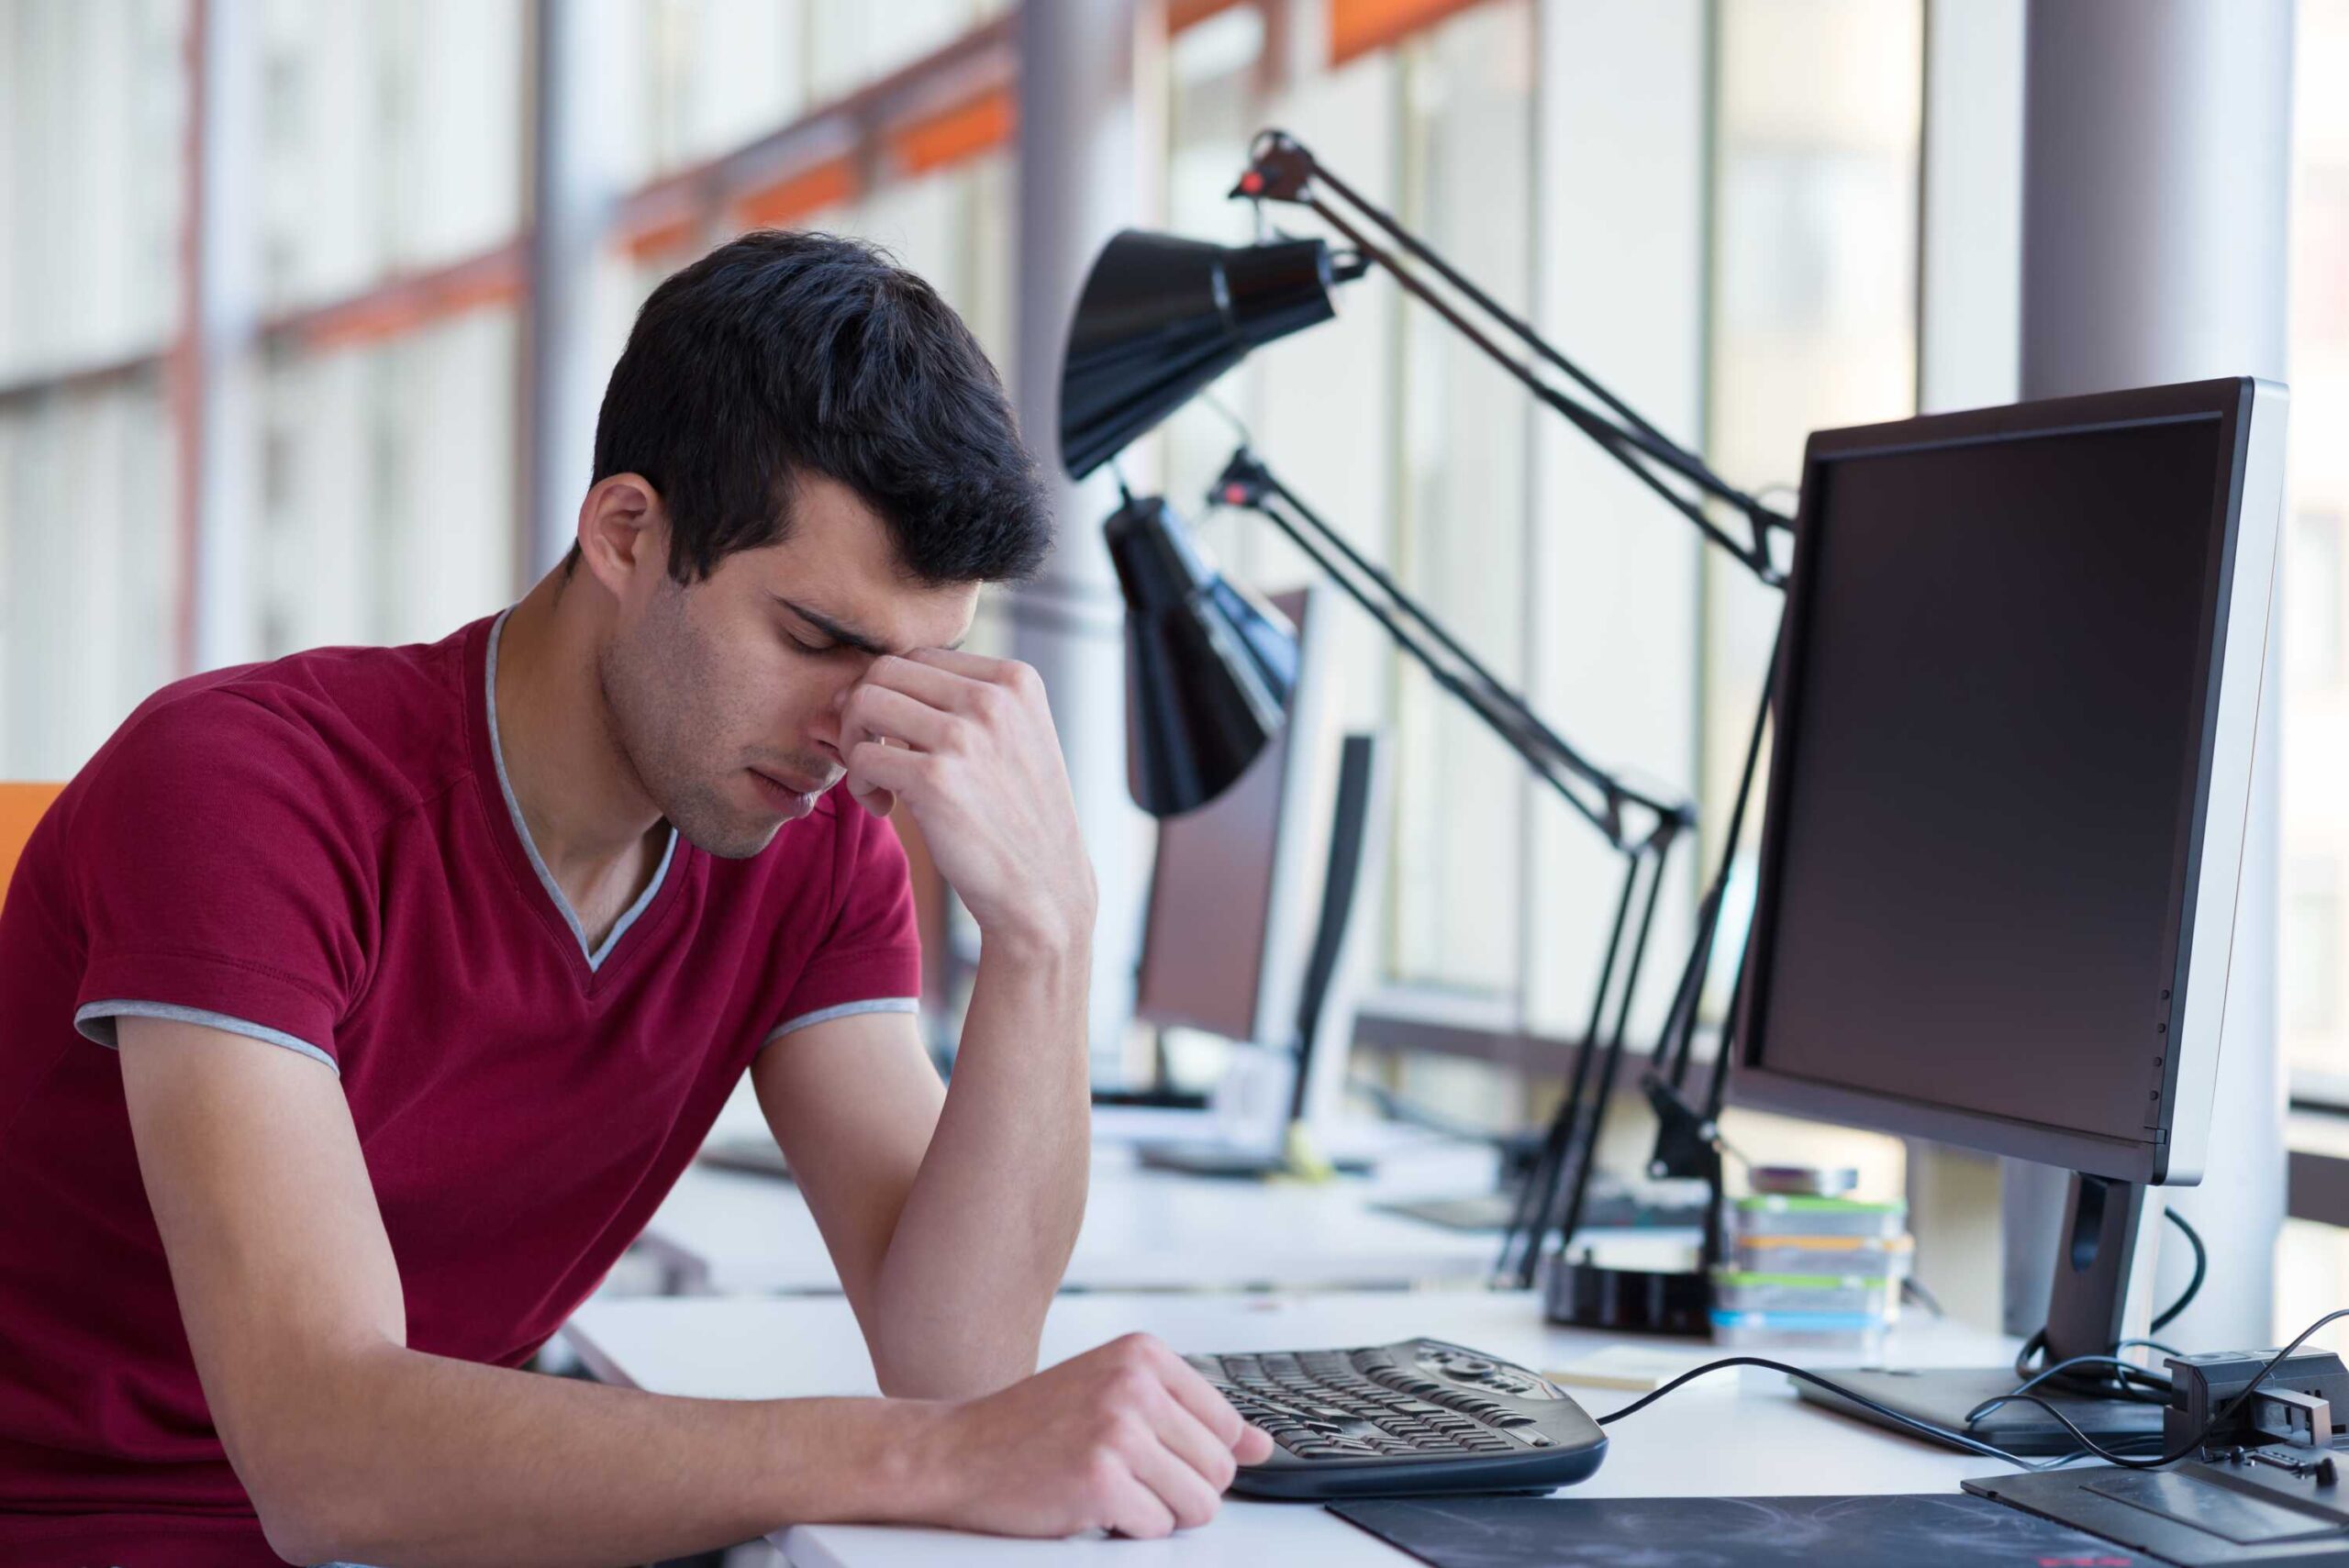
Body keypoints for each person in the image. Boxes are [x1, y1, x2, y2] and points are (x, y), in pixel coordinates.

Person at [0, 230, 1270, 1567]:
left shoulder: (809, 846)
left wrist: (1047, 933)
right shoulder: (244, 787)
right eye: (815, 640)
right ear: (626, 532)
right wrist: (931, 1456)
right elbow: (323, 1452)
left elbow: (953, 1355)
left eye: (920, 666)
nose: (857, 730)